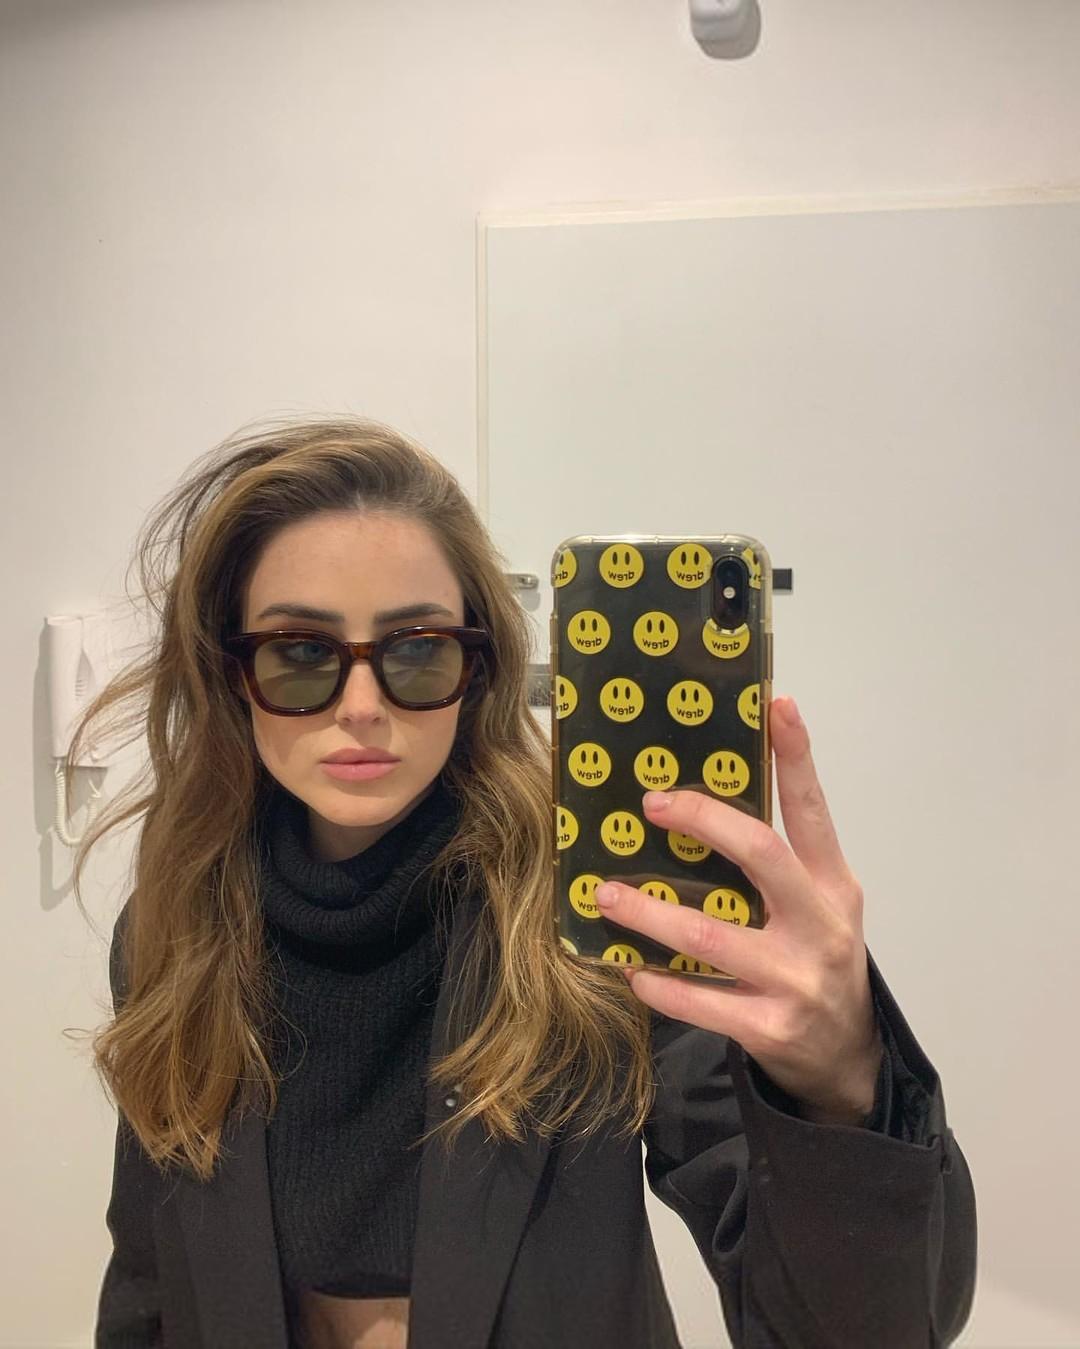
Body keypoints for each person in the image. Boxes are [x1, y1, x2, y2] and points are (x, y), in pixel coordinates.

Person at [75, 416, 976, 1349]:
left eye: (415, 648)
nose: (361, 706)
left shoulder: (597, 914)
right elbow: (150, 1281)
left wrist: (840, 1086)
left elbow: (854, 1330)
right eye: (302, 651)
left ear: (478, 667)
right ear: (232, 673)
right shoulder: (177, 928)